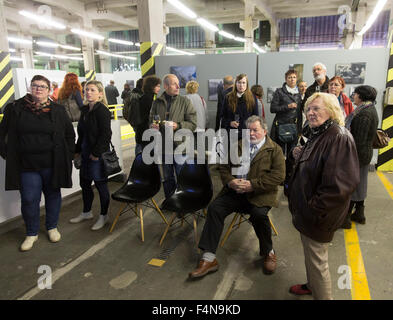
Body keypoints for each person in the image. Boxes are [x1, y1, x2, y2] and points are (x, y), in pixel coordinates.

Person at [189, 115, 285, 279]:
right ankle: (209, 258)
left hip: (259, 195)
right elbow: (224, 168)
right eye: (248, 130)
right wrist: (231, 182)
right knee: (215, 208)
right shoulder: (237, 145)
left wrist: (252, 185)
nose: (251, 134)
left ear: (264, 130)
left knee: (259, 215)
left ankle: (268, 252)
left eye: (255, 130)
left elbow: (279, 176)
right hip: (235, 193)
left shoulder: (274, 149)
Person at [288, 92, 359, 300]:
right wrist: (302, 155)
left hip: (318, 214)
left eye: (316, 108)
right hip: (309, 211)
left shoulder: (338, 137)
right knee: (311, 256)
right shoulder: (320, 133)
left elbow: (340, 186)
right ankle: (312, 285)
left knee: (318, 262)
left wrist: (312, 209)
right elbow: (321, 164)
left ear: (331, 110)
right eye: (308, 109)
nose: (310, 112)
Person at [0, 75, 75, 251]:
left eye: (42, 86)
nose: (38, 89)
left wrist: (68, 155)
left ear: (49, 90)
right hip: (27, 166)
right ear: (30, 88)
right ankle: (31, 233)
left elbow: (69, 135)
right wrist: (7, 155)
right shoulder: (15, 108)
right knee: (29, 199)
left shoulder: (57, 110)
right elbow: (1, 133)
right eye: (35, 86)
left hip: (52, 164)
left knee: (53, 195)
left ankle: (51, 227)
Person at [69, 80, 112, 231]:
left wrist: (96, 153)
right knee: (85, 185)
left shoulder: (102, 111)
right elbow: (82, 134)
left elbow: (106, 134)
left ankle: (104, 215)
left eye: (93, 90)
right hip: (85, 154)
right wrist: (77, 150)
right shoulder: (85, 110)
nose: (88, 92)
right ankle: (87, 212)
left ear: (100, 94)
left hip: (96, 156)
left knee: (101, 186)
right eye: (87, 90)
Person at [149, 74, 197, 200]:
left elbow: (193, 124)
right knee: (168, 177)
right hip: (164, 148)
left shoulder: (185, 101)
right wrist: (152, 126)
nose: (178, 86)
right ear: (166, 86)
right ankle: (170, 201)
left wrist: (179, 125)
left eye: (178, 83)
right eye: (174, 84)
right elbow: (151, 120)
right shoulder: (157, 103)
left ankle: (183, 202)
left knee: (182, 177)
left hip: (181, 147)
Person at [341, 85, 379, 228]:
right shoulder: (368, 109)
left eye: (355, 94)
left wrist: (349, 156)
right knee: (360, 183)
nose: (353, 96)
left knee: (352, 185)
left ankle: (345, 219)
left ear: (361, 96)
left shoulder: (364, 114)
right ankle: (359, 214)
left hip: (358, 154)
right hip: (363, 153)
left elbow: (359, 140)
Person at [270, 70, 302, 157]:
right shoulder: (279, 91)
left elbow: (299, 113)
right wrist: (287, 106)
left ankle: (290, 170)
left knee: (292, 153)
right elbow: (272, 109)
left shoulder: (299, 93)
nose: (292, 79)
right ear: (286, 79)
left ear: (296, 79)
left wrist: (300, 129)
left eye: (294, 77)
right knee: (279, 152)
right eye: (290, 77)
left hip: (293, 125)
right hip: (281, 125)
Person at [221, 74, 258, 141]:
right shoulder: (228, 97)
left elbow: (256, 118)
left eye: (243, 83)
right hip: (231, 135)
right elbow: (222, 117)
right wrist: (230, 123)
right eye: (239, 82)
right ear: (235, 84)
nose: (241, 85)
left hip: (247, 135)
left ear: (247, 84)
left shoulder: (252, 98)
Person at [135, 75, 161, 154]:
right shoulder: (148, 99)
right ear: (151, 86)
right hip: (146, 133)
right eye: (157, 86)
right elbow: (151, 116)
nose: (159, 88)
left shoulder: (147, 97)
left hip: (144, 132)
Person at [185, 80, 208, 148]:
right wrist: (206, 125)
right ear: (196, 88)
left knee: (189, 147)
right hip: (200, 127)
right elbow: (206, 114)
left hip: (188, 127)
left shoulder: (184, 99)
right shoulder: (201, 99)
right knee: (200, 147)